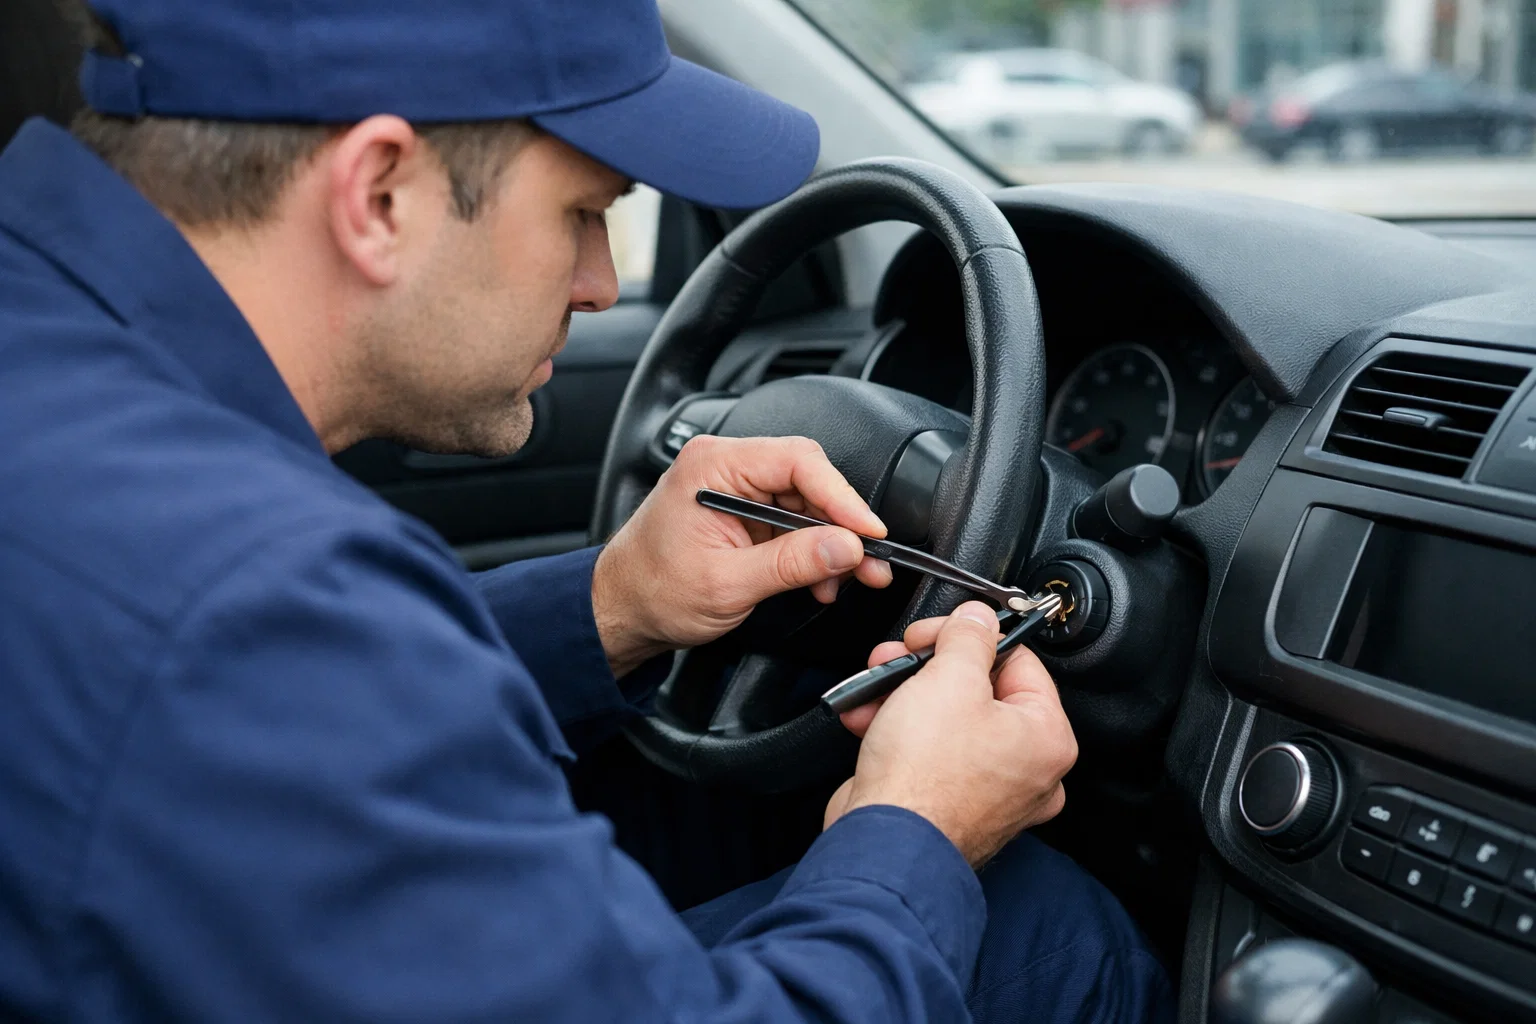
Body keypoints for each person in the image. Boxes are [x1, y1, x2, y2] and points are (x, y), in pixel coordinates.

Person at [0, 0, 1174, 1020]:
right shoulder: (247, 597)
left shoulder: (66, 384)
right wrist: (923, 830)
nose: (603, 283)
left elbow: (292, 711)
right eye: (583, 211)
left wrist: (611, 603)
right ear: (380, 193)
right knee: (1045, 930)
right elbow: (278, 666)